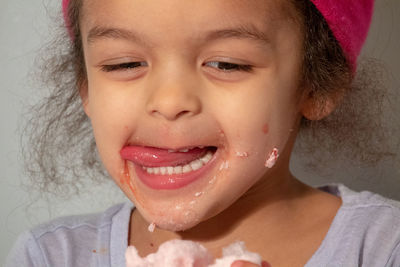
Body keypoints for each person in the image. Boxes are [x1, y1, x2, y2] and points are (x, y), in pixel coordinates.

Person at [5, 0, 400, 266]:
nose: (169, 99)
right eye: (124, 64)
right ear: (86, 88)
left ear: (316, 86)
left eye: (226, 64)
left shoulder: (383, 247)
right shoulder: (50, 256)